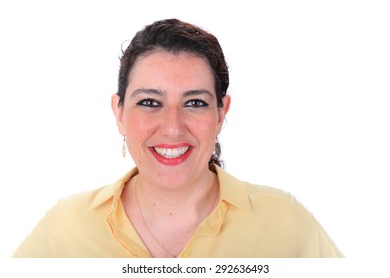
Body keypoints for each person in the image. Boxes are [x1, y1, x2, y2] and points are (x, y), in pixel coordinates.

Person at [13, 18, 342, 258]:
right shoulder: (65, 230)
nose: (172, 127)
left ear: (221, 114)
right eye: (150, 102)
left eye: (195, 103)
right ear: (119, 113)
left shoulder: (284, 224)